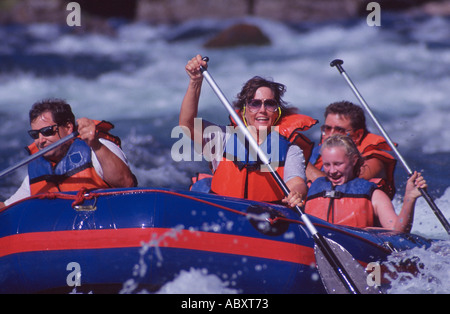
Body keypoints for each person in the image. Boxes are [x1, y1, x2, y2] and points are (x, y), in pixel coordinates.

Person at [179, 55, 318, 207]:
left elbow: (296, 182)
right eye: (255, 104)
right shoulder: (223, 138)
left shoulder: (290, 150)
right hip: (223, 217)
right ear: (244, 111)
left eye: (270, 104)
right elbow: (187, 126)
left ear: (277, 111)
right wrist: (195, 81)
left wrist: (297, 193)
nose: (262, 110)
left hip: (266, 223)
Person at [0, 99, 137, 208]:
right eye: (35, 134)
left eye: (48, 131)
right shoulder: (36, 170)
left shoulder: (97, 147)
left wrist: (95, 144)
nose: (40, 140)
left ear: (68, 127)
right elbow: (7, 207)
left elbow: (126, 184)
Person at [305, 134, 426, 233]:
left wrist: (409, 199)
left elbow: (398, 231)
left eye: (338, 164)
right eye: (327, 165)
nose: (332, 171)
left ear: (354, 160)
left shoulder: (374, 195)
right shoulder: (311, 189)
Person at [306, 101, 397, 199]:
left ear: (358, 135)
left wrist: (302, 162)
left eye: (339, 130)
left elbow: (335, 186)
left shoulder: (374, 162)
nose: (330, 135)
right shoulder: (319, 152)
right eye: (327, 128)